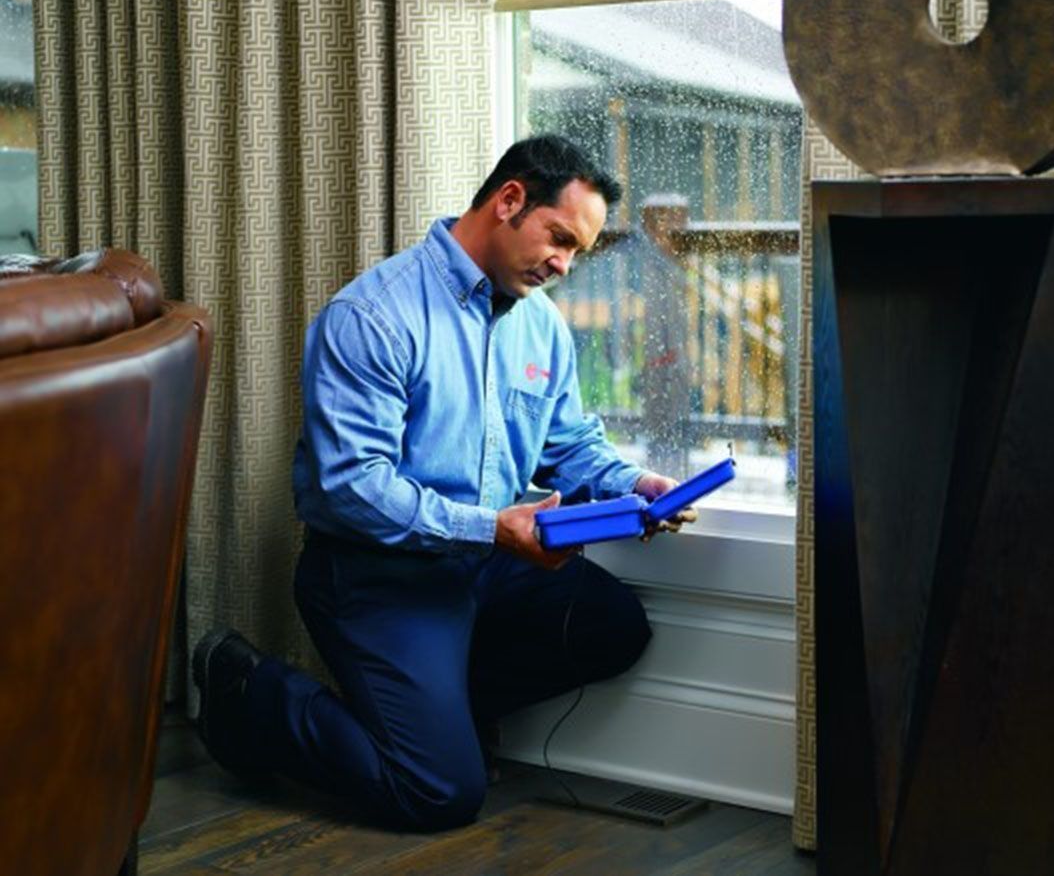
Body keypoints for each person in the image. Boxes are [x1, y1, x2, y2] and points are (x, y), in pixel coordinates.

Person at [192, 134, 696, 832]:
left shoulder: (542, 330)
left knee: (613, 625)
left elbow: (568, 444)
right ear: (510, 199)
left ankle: (444, 712)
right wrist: (492, 527)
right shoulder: (372, 317)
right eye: (558, 238)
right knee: (438, 793)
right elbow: (351, 488)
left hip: (484, 562)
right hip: (376, 572)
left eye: (578, 251)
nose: (565, 264)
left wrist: (639, 484)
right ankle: (247, 694)